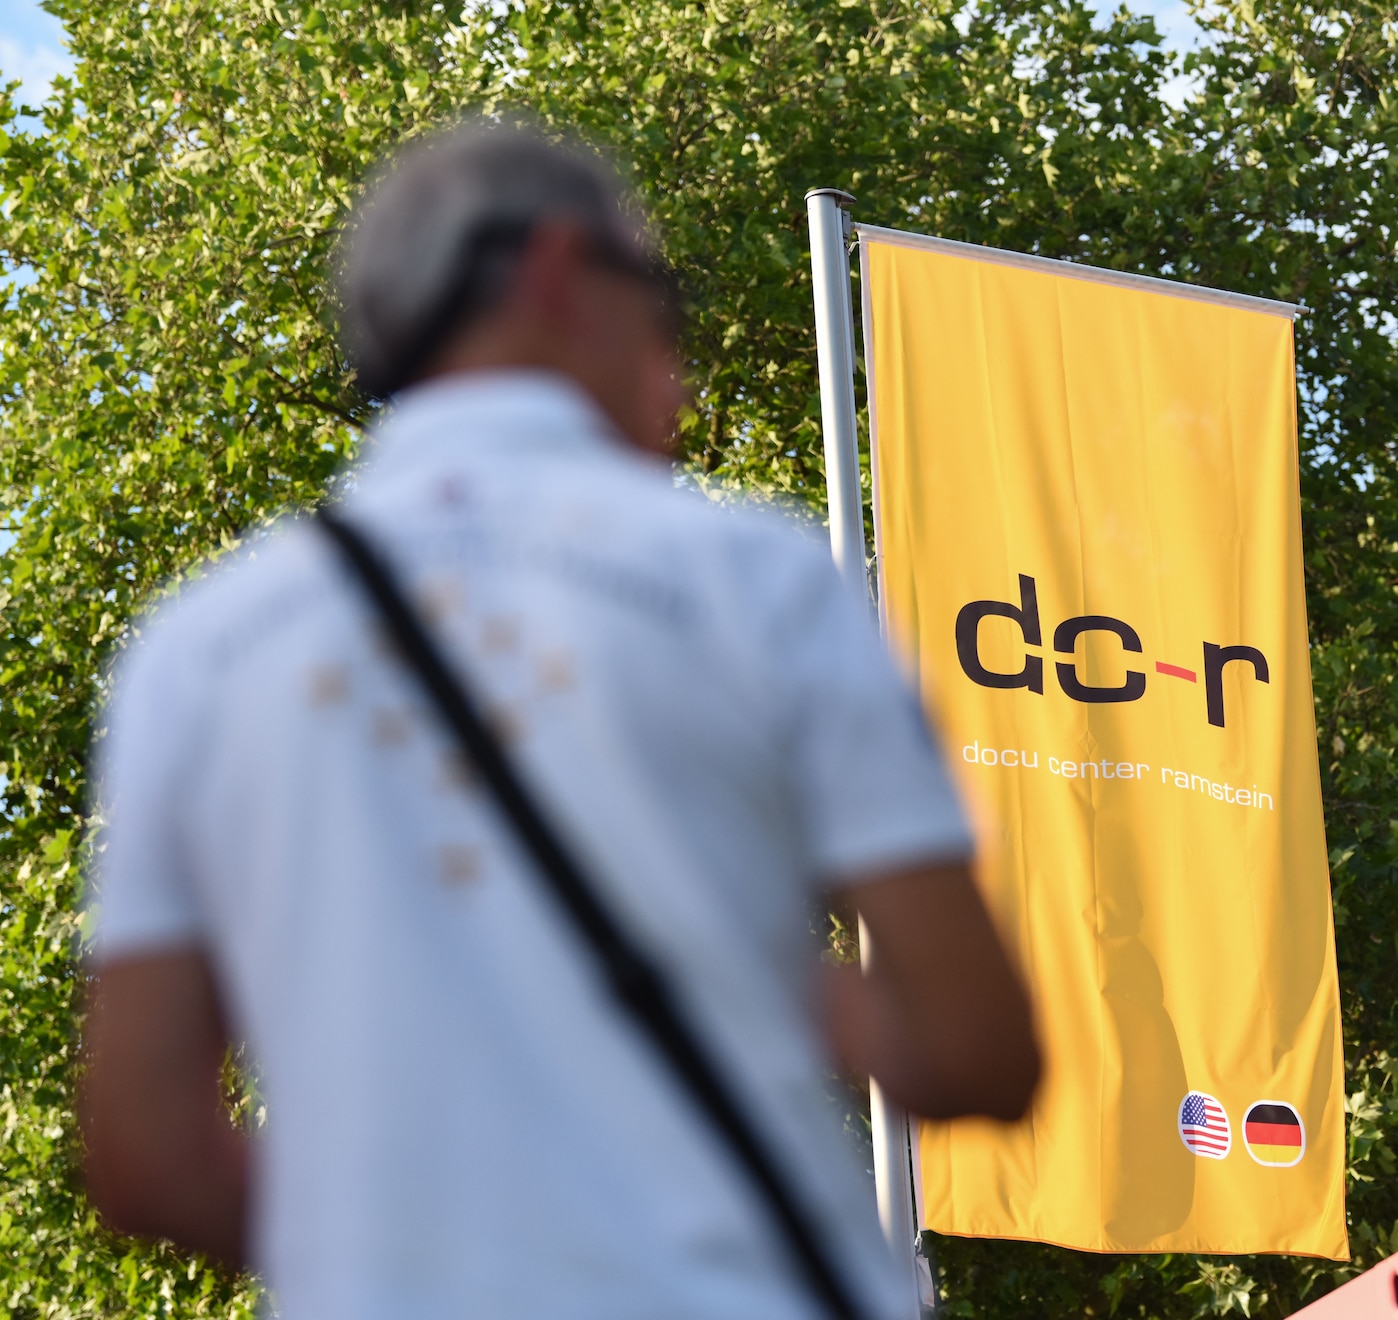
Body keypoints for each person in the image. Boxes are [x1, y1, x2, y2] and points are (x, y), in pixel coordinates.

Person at [76, 119, 1040, 1319]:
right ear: (553, 266)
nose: (676, 378)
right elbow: (976, 1051)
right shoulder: (754, 575)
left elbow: (145, 1154)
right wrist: (743, 966)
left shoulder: (198, 647)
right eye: (663, 305)